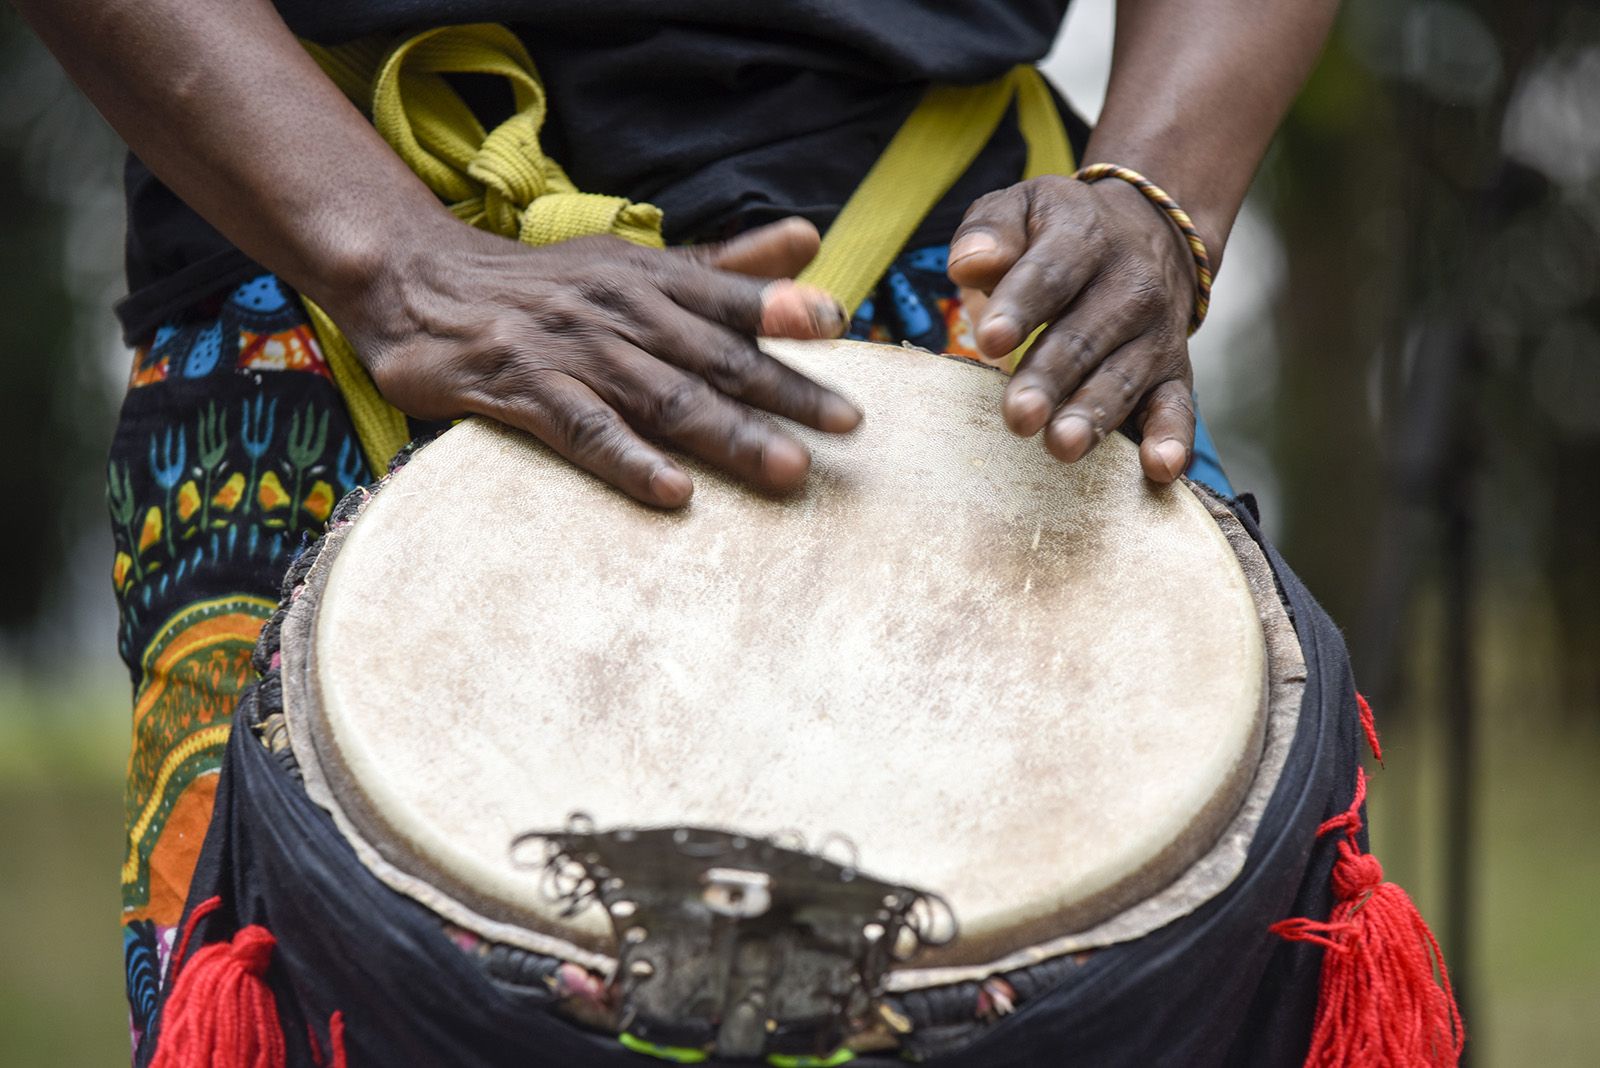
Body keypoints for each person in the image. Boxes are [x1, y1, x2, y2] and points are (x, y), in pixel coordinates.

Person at [16, 0, 1338, 1050]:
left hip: (984, 308)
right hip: (328, 264)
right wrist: (397, 266)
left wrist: (1162, 193)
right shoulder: (372, 270)